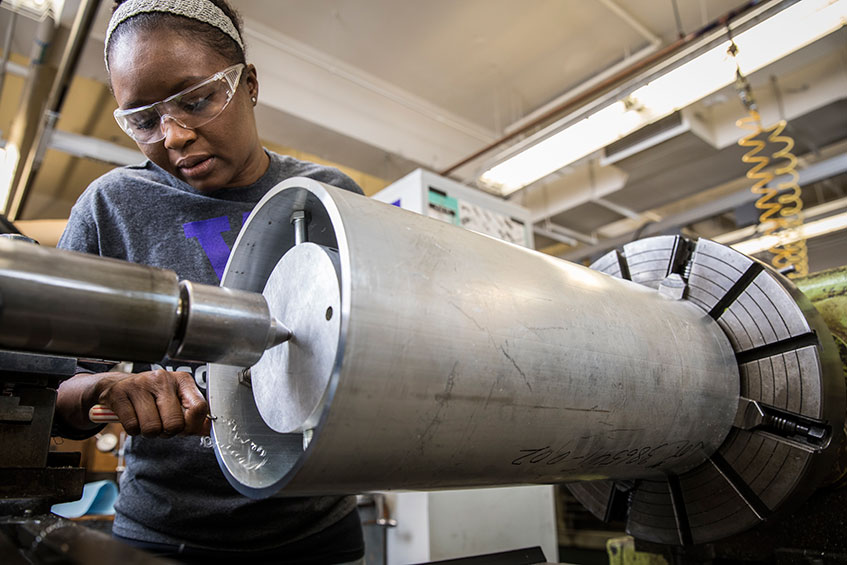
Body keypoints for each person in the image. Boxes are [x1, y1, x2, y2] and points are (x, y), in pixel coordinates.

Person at [55, 1, 365, 562]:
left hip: (315, 531)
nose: (172, 136)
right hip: (164, 532)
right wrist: (105, 390)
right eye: (144, 120)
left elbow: (377, 356)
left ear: (248, 84)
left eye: (196, 100)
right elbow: (53, 391)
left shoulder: (331, 197)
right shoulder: (111, 208)